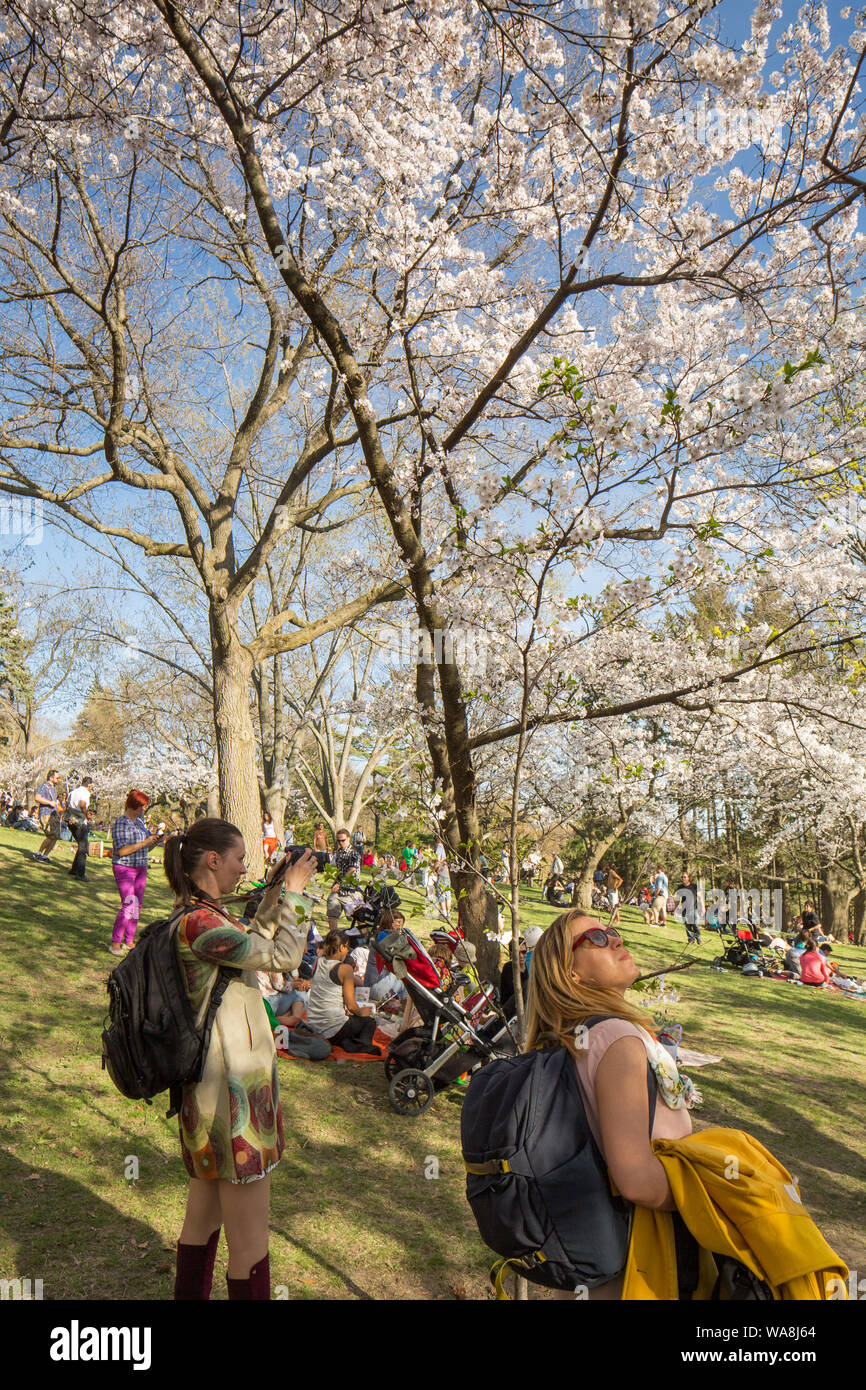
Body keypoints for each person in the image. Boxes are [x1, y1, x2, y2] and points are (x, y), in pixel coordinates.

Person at [166, 820, 318, 1300]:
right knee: (250, 1243)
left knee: (203, 1217)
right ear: (212, 860)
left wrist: (274, 893)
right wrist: (295, 893)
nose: (244, 868)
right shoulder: (203, 924)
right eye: (238, 859)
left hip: (208, 1094)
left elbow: (258, 941)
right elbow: (285, 956)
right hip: (236, 1100)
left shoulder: (201, 918)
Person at [525, 909, 701, 1300]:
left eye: (612, 932)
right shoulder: (616, 1038)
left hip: (595, 1259)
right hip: (635, 1267)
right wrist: (713, 1201)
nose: (617, 940)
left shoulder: (581, 1033)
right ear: (571, 973)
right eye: (597, 939)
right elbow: (635, 1179)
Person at [304, 929, 382, 1055]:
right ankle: (362, 1045)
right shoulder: (344, 969)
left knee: (350, 1022)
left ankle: (347, 1041)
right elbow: (351, 1006)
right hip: (333, 1028)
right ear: (341, 947)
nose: (347, 951)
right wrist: (363, 1012)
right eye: (347, 948)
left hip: (313, 1024)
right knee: (369, 1022)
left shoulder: (318, 962)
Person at [109, 791, 165, 954]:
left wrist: (154, 842)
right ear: (133, 806)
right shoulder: (121, 823)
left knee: (137, 905)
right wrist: (144, 842)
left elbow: (145, 847)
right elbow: (122, 851)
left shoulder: (140, 823)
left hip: (140, 866)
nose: (144, 809)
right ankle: (115, 942)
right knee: (129, 904)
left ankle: (130, 940)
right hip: (125, 867)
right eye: (142, 806)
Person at [256, 971, 331, 1060]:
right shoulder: (273, 961)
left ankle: (289, 1018)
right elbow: (280, 985)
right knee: (300, 994)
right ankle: (292, 1018)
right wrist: (297, 985)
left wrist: (298, 982)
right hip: (269, 1003)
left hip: (269, 1013)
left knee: (299, 994)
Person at [65, 775, 94, 881]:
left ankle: (74, 869)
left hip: (70, 820)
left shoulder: (73, 791)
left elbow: (67, 803)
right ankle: (80, 874)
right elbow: (82, 805)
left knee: (81, 844)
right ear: (90, 786)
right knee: (83, 846)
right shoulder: (85, 793)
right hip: (79, 821)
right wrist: (87, 815)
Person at [32, 768, 63, 863]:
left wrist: (58, 814)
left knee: (56, 836)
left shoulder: (53, 788)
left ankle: (45, 856)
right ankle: (38, 854)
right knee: (51, 835)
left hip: (53, 815)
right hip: (46, 814)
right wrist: (49, 802)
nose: (59, 779)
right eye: (58, 777)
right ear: (51, 777)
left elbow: (54, 804)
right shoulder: (44, 786)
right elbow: (37, 797)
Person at [500, 938, 528, 1016]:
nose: (521, 956)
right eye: (517, 953)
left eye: (523, 952)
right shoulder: (508, 968)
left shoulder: (531, 966)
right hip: (512, 1009)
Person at [675, 871, 701, 946]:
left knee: (695, 924)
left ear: (688, 878)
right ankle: (691, 940)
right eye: (682, 877)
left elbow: (700, 897)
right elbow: (677, 899)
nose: (683, 878)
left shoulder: (694, 886)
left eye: (685, 877)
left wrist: (702, 906)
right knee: (688, 926)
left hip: (694, 908)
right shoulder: (680, 887)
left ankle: (698, 936)